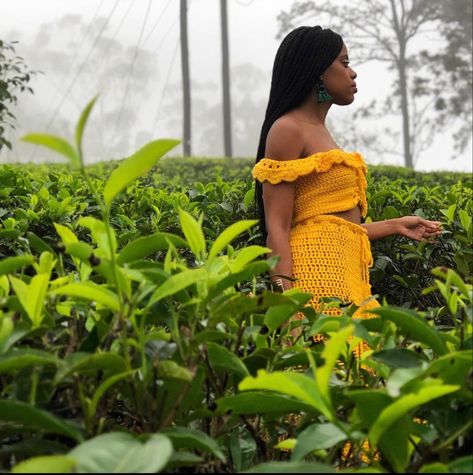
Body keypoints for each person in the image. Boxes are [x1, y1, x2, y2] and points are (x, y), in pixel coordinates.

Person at [252, 26, 442, 328]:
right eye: (344, 62)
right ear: (318, 72)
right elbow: (277, 227)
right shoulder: (288, 129)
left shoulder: (319, 131)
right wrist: (288, 308)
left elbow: (339, 227)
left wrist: (396, 225)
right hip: (314, 279)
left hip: (347, 279)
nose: (352, 73)